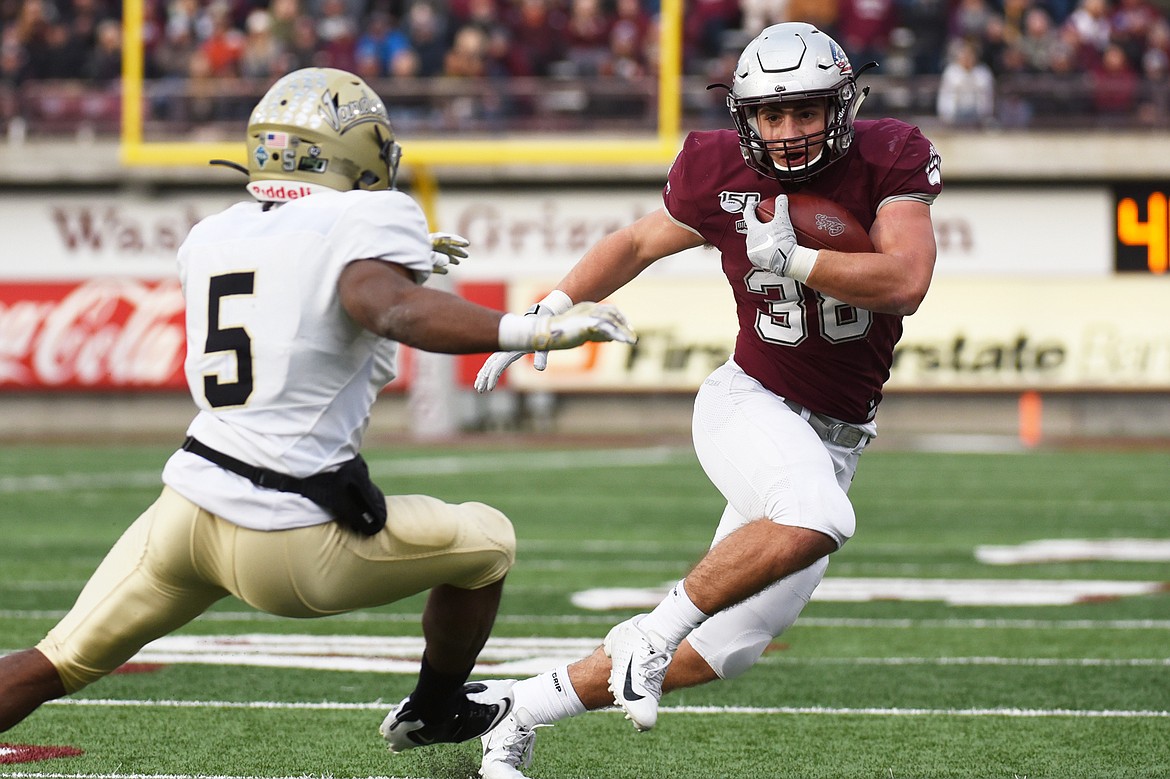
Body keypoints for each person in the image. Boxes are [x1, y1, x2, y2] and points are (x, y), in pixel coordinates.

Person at [0, 67, 636, 755]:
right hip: (288, 537)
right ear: (351, 151)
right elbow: (381, 304)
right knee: (488, 542)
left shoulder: (214, 234)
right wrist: (528, 329)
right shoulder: (365, 216)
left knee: (53, 661)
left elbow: (301, 276)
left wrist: (403, 260)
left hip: (183, 511)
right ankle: (435, 707)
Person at [473, 22, 942, 778]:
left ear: (843, 106)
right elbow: (633, 244)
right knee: (817, 516)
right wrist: (546, 307)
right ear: (745, 118)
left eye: (806, 112)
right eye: (770, 115)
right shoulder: (715, 168)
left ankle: (514, 711)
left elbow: (906, 281)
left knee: (724, 650)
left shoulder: (890, 155)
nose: (787, 133)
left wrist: (799, 257)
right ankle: (649, 638)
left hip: (837, 434)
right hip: (748, 402)